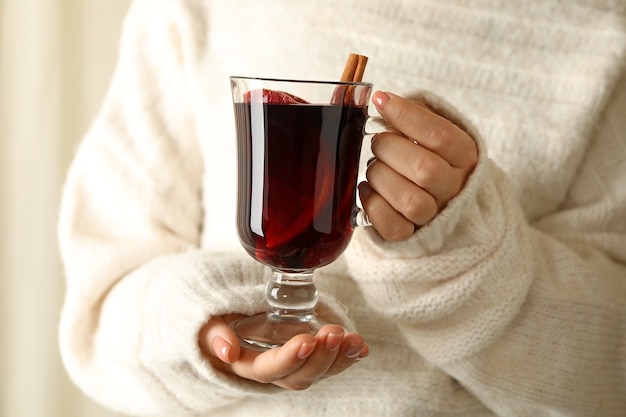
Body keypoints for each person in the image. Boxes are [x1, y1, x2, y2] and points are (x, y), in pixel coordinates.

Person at [57, 0, 626, 416]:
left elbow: (610, 373)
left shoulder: (605, 29)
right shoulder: (194, 8)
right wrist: (206, 327)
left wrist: (463, 248)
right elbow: (98, 315)